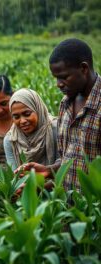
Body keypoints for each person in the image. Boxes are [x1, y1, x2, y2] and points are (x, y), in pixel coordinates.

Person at [22, 38, 101, 193]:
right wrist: (50, 169)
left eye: (64, 77)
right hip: (68, 209)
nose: (58, 83)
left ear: (83, 69)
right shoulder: (66, 104)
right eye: (56, 78)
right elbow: (68, 156)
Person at [4, 88, 58, 171]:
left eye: (27, 114)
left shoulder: (56, 129)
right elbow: (15, 176)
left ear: (38, 109)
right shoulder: (11, 139)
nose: (22, 121)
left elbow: (64, 164)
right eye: (16, 117)